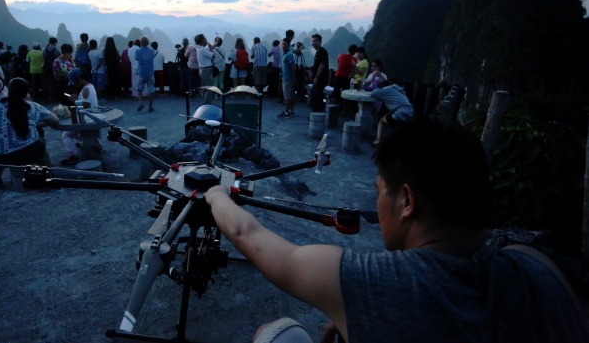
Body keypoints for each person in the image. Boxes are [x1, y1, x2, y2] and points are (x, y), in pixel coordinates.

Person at [203, 120, 589, 343]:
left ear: (406, 201)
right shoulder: (540, 268)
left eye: (379, 191)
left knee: (275, 332)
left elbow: (245, 233)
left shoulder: (367, 282)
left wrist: (217, 192)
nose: (377, 205)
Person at [0, 78, 58, 191]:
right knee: (40, 143)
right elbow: (54, 120)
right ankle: (50, 173)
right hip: (27, 153)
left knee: (1, 148)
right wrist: (37, 125)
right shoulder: (33, 107)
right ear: (26, 93)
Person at [60, 68, 98, 166]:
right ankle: (87, 144)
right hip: (91, 117)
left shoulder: (85, 89)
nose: (75, 85)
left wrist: (74, 100)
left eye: (75, 82)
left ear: (80, 79)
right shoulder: (90, 86)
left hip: (86, 119)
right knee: (75, 134)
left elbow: (85, 106)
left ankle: (74, 156)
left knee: (66, 135)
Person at [370, 80, 414, 145]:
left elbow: (373, 94)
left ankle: (378, 140)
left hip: (400, 114)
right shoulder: (398, 90)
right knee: (388, 116)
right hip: (410, 113)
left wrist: (377, 88)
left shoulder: (386, 90)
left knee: (382, 120)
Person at [134, 37, 156, 112]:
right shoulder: (152, 51)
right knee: (151, 90)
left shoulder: (137, 51)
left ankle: (141, 103)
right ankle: (150, 107)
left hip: (141, 73)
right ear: (148, 43)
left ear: (140, 43)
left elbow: (136, 58)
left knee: (139, 89)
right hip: (150, 73)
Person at [309, 33, 329, 112]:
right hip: (317, 79)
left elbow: (322, 64)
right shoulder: (318, 52)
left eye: (316, 41)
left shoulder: (322, 51)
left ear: (320, 41)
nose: (314, 43)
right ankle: (315, 113)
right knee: (315, 96)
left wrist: (317, 77)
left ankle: (317, 114)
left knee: (317, 97)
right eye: (313, 41)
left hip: (320, 79)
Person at [277, 38, 296, 118]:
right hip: (285, 77)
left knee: (287, 96)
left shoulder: (289, 54)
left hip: (288, 78)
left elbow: (292, 67)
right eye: (282, 44)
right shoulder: (285, 54)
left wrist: (293, 77)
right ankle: (291, 111)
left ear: (288, 45)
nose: (283, 46)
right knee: (290, 95)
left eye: (285, 44)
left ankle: (286, 112)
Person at [42, 37, 60, 103]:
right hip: (55, 69)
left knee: (48, 83)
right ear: (55, 42)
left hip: (46, 68)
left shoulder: (44, 50)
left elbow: (43, 58)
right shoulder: (56, 51)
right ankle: (55, 97)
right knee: (55, 83)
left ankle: (49, 96)